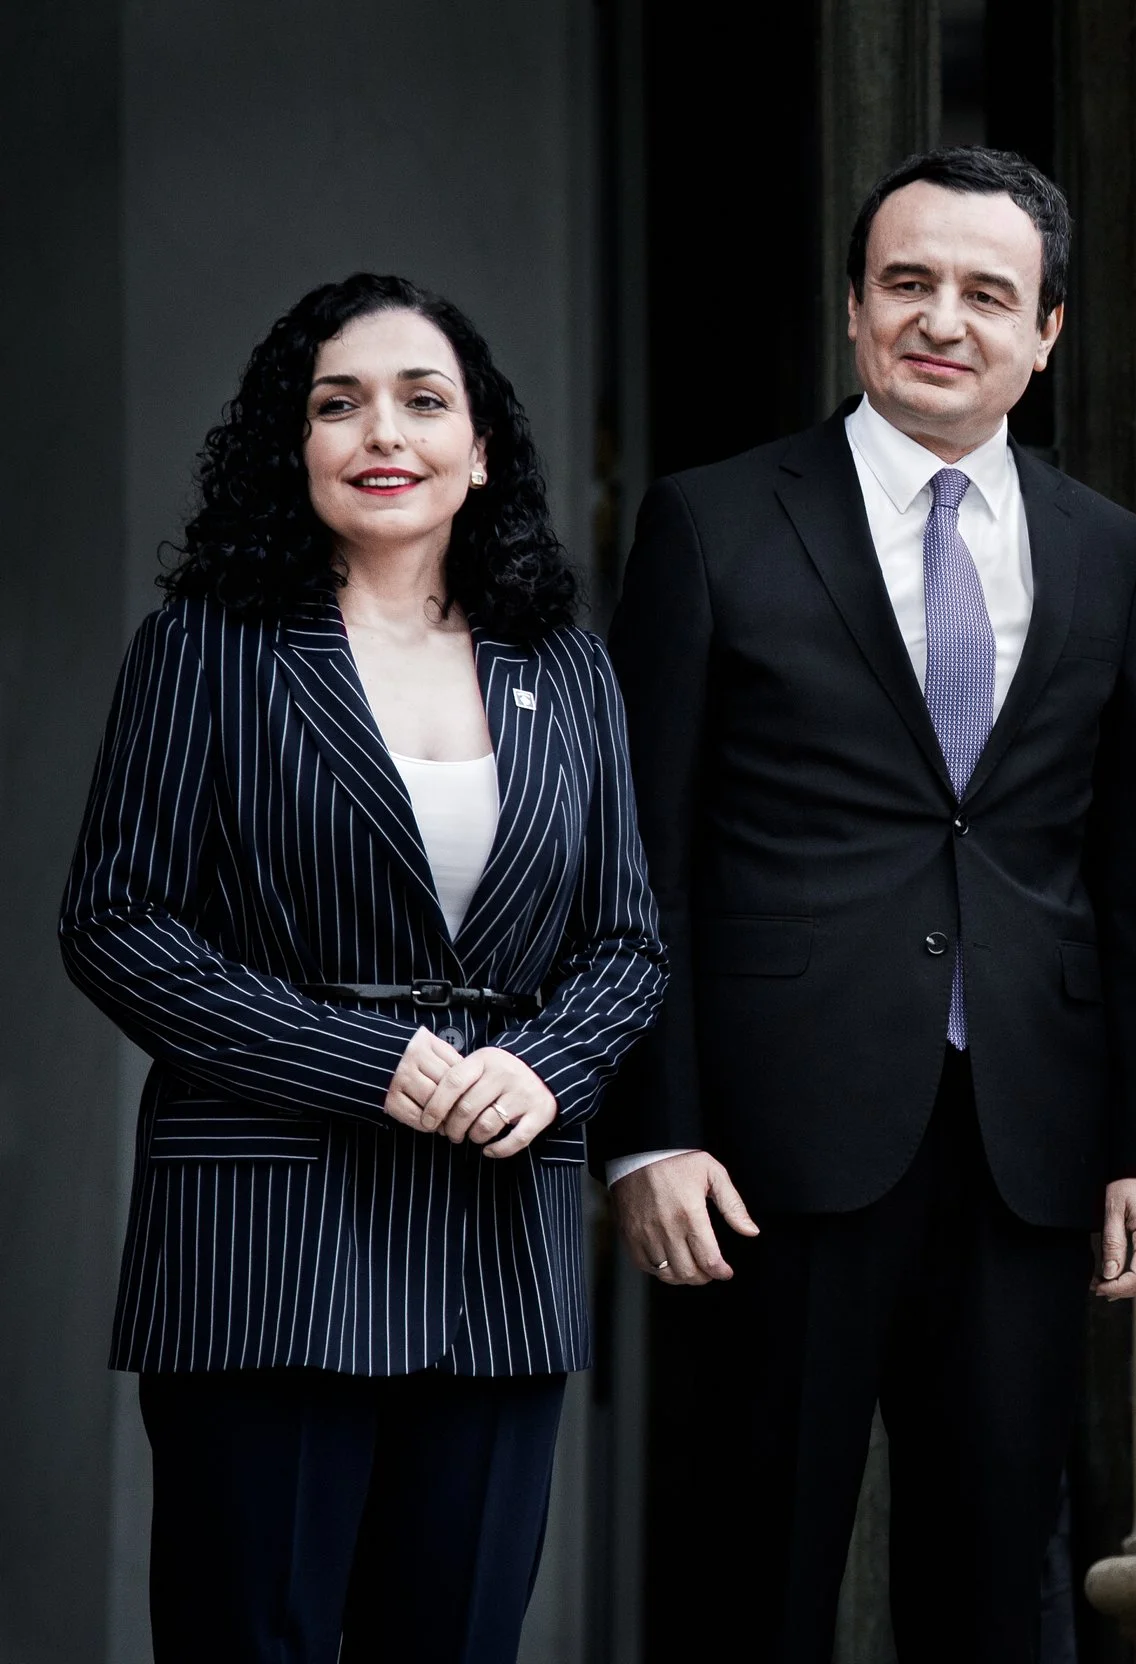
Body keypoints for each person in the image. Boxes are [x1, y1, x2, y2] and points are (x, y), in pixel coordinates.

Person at [600, 145, 1136, 1660]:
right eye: (908, 283)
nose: (942, 319)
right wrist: (651, 1128)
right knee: (755, 1573)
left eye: (987, 294)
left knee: (994, 1588)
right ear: (854, 308)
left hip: (1027, 1141)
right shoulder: (712, 521)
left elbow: (1122, 860)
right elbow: (638, 852)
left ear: (1047, 332)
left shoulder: (1104, 546)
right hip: (766, 1146)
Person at [58, 273, 668, 1662]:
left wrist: (546, 1067)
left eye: (422, 401)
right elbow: (116, 921)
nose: (383, 431)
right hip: (264, 1234)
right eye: (339, 404)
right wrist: (365, 1059)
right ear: (296, 447)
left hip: (497, 1235)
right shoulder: (205, 650)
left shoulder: (568, 668)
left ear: (480, 450)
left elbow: (627, 942)